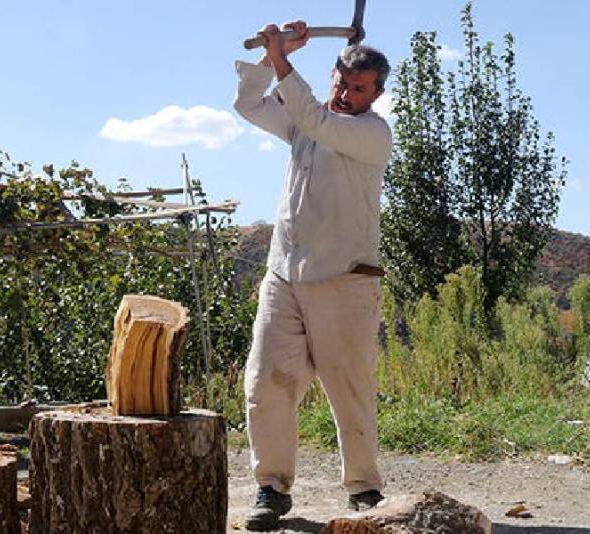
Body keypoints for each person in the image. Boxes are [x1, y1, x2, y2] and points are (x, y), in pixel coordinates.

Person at [232, 20, 393, 531]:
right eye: (341, 83)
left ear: (376, 94)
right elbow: (249, 104)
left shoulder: (372, 134)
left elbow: (314, 118)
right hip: (284, 275)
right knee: (266, 382)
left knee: (350, 388)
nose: (346, 94)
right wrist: (274, 55)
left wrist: (283, 59)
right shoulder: (307, 120)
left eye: (359, 89)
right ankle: (271, 487)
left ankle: (364, 489)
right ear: (332, 77)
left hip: (345, 280)